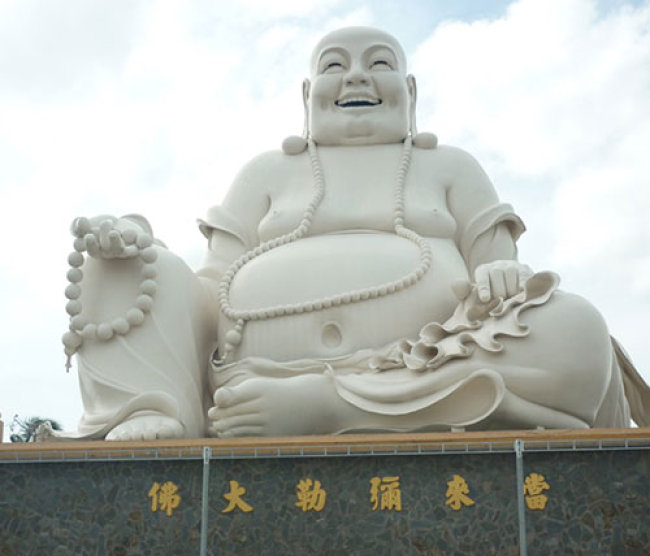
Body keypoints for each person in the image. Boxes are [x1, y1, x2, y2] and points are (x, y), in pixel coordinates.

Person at [58, 26, 649, 441]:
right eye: (335, 66)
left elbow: (509, 284)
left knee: (576, 330)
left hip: (432, 365)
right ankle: (154, 407)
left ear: (410, 94)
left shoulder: (450, 167)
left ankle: (331, 404)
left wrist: (501, 270)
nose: (358, 76)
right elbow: (210, 290)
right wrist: (138, 248)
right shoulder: (266, 173)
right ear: (306, 95)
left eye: (381, 64)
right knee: (124, 262)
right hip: (248, 379)